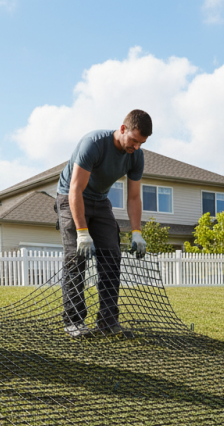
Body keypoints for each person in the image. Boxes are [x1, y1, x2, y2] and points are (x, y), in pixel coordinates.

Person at [56, 110, 153, 337]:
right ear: (122, 129)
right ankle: (74, 321)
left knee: (111, 256)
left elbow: (133, 197)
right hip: (70, 196)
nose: (136, 147)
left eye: (142, 143)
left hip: (100, 200)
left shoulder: (136, 156)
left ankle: (108, 322)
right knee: (76, 259)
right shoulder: (94, 144)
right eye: (134, 140)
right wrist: (81, 231)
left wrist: (136, 232)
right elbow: (75, 189)